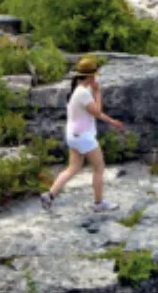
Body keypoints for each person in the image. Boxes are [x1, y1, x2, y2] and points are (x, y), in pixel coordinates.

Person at [39, 57, 126, 214]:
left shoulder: (77, 91)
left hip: (73, 135)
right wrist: (98, 92)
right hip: (83, 137)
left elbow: (94, 114)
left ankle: (49, 195)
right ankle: (99, 203)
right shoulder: (84, 94)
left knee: (74, 167)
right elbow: (97, 112)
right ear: (90, 77)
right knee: (99, 167)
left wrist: (113, 122)